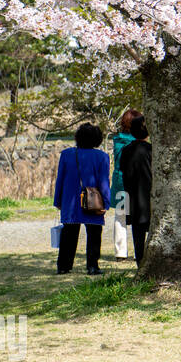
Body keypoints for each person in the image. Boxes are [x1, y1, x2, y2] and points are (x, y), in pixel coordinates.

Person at [52, 123, 112, 276]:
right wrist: (106, 202)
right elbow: (104, 182)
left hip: (70, 200)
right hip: (93, 200)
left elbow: (60, 179)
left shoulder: (66, 154)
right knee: (94, 233)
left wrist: (58, 201)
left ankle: (64, 266)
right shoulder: (102, 157)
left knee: (69, 234)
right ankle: (92, 266)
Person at [119, 117, 152, 266]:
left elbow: (122, 170)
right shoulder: (152, 150)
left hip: (131, 194)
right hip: (150, 195)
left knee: (137, 232)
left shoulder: (126, 150)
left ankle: (140, 262)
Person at [110, 109, 141, 260]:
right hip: (135, 183)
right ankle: (139, 251)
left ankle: (120, 252)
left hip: (120, 182)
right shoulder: (137, 142)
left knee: (120, 217)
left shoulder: (117, 141)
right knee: (137, 217)